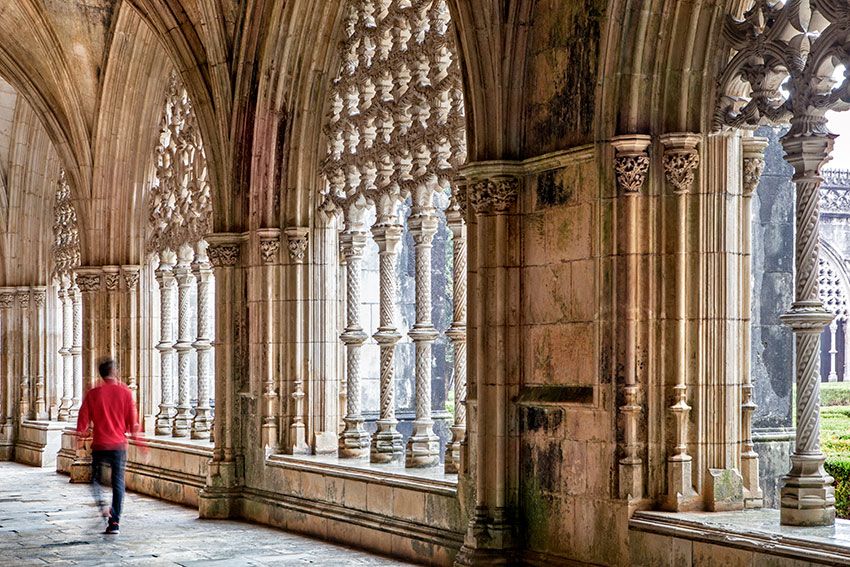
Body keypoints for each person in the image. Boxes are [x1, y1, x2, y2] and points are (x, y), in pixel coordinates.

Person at [75, 357, 145, 535]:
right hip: (118, 446)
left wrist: (80, 439)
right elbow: (133, 423)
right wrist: (141, 444)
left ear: (101, 373)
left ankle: (103, 506)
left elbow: (83, 419)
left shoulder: (93, 393)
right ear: (115, 371)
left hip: (99, 444)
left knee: (95, 479)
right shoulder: (125, 393)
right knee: (118, 483)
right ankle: (114, 522)